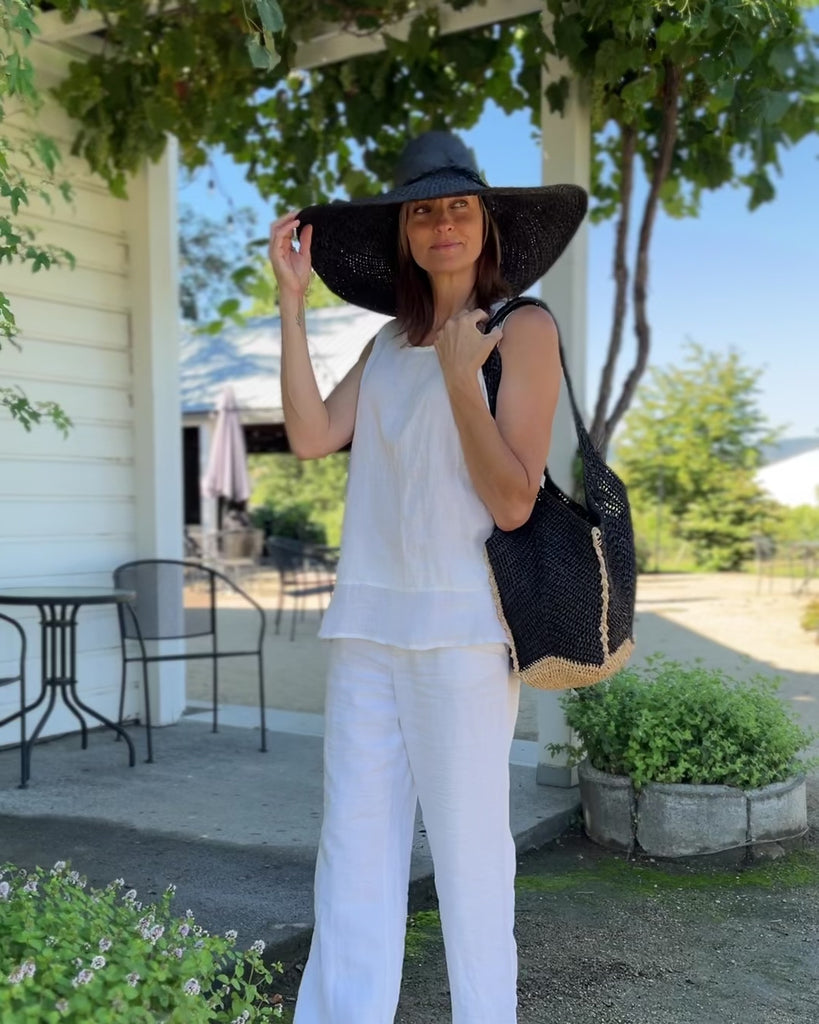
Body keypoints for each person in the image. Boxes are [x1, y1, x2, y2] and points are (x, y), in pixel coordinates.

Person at [268, 131, 587, 1024]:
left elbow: (514, 501)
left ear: (484, 223)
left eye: (456, 206)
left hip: (462, 634)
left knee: (470, 860)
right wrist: (291, 305)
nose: (441, 224)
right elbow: (307, 435)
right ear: (404, 232)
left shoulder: (521, 329)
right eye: (421, 210)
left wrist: (460, 381)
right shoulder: (384, 346)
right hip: (367, 627)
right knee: (354, 854)